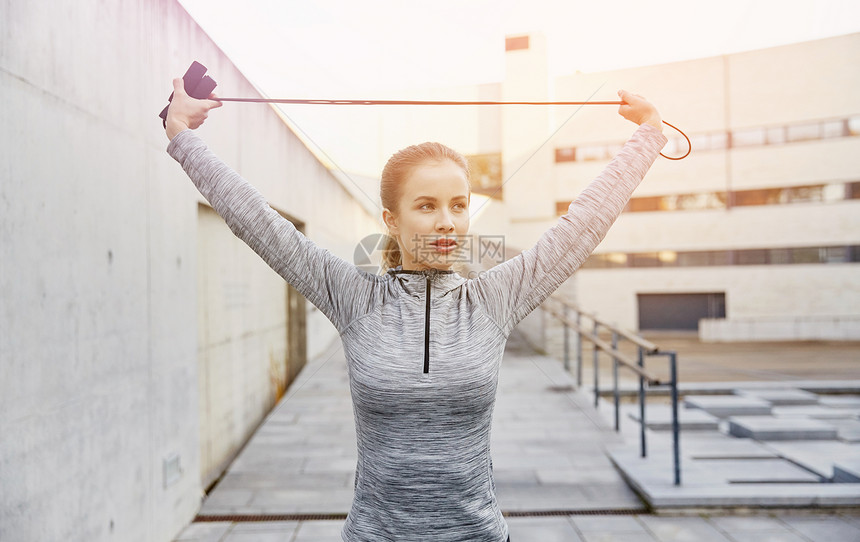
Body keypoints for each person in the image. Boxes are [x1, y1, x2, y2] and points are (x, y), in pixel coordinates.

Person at [164, 78, 666, 542]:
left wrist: (647, 136)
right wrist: (183, 136)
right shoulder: (355, 298)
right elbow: (260, 223)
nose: (447, 222)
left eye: (459, 205)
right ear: (392, 219)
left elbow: (581, 226)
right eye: (426, 206)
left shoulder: (493, 299)